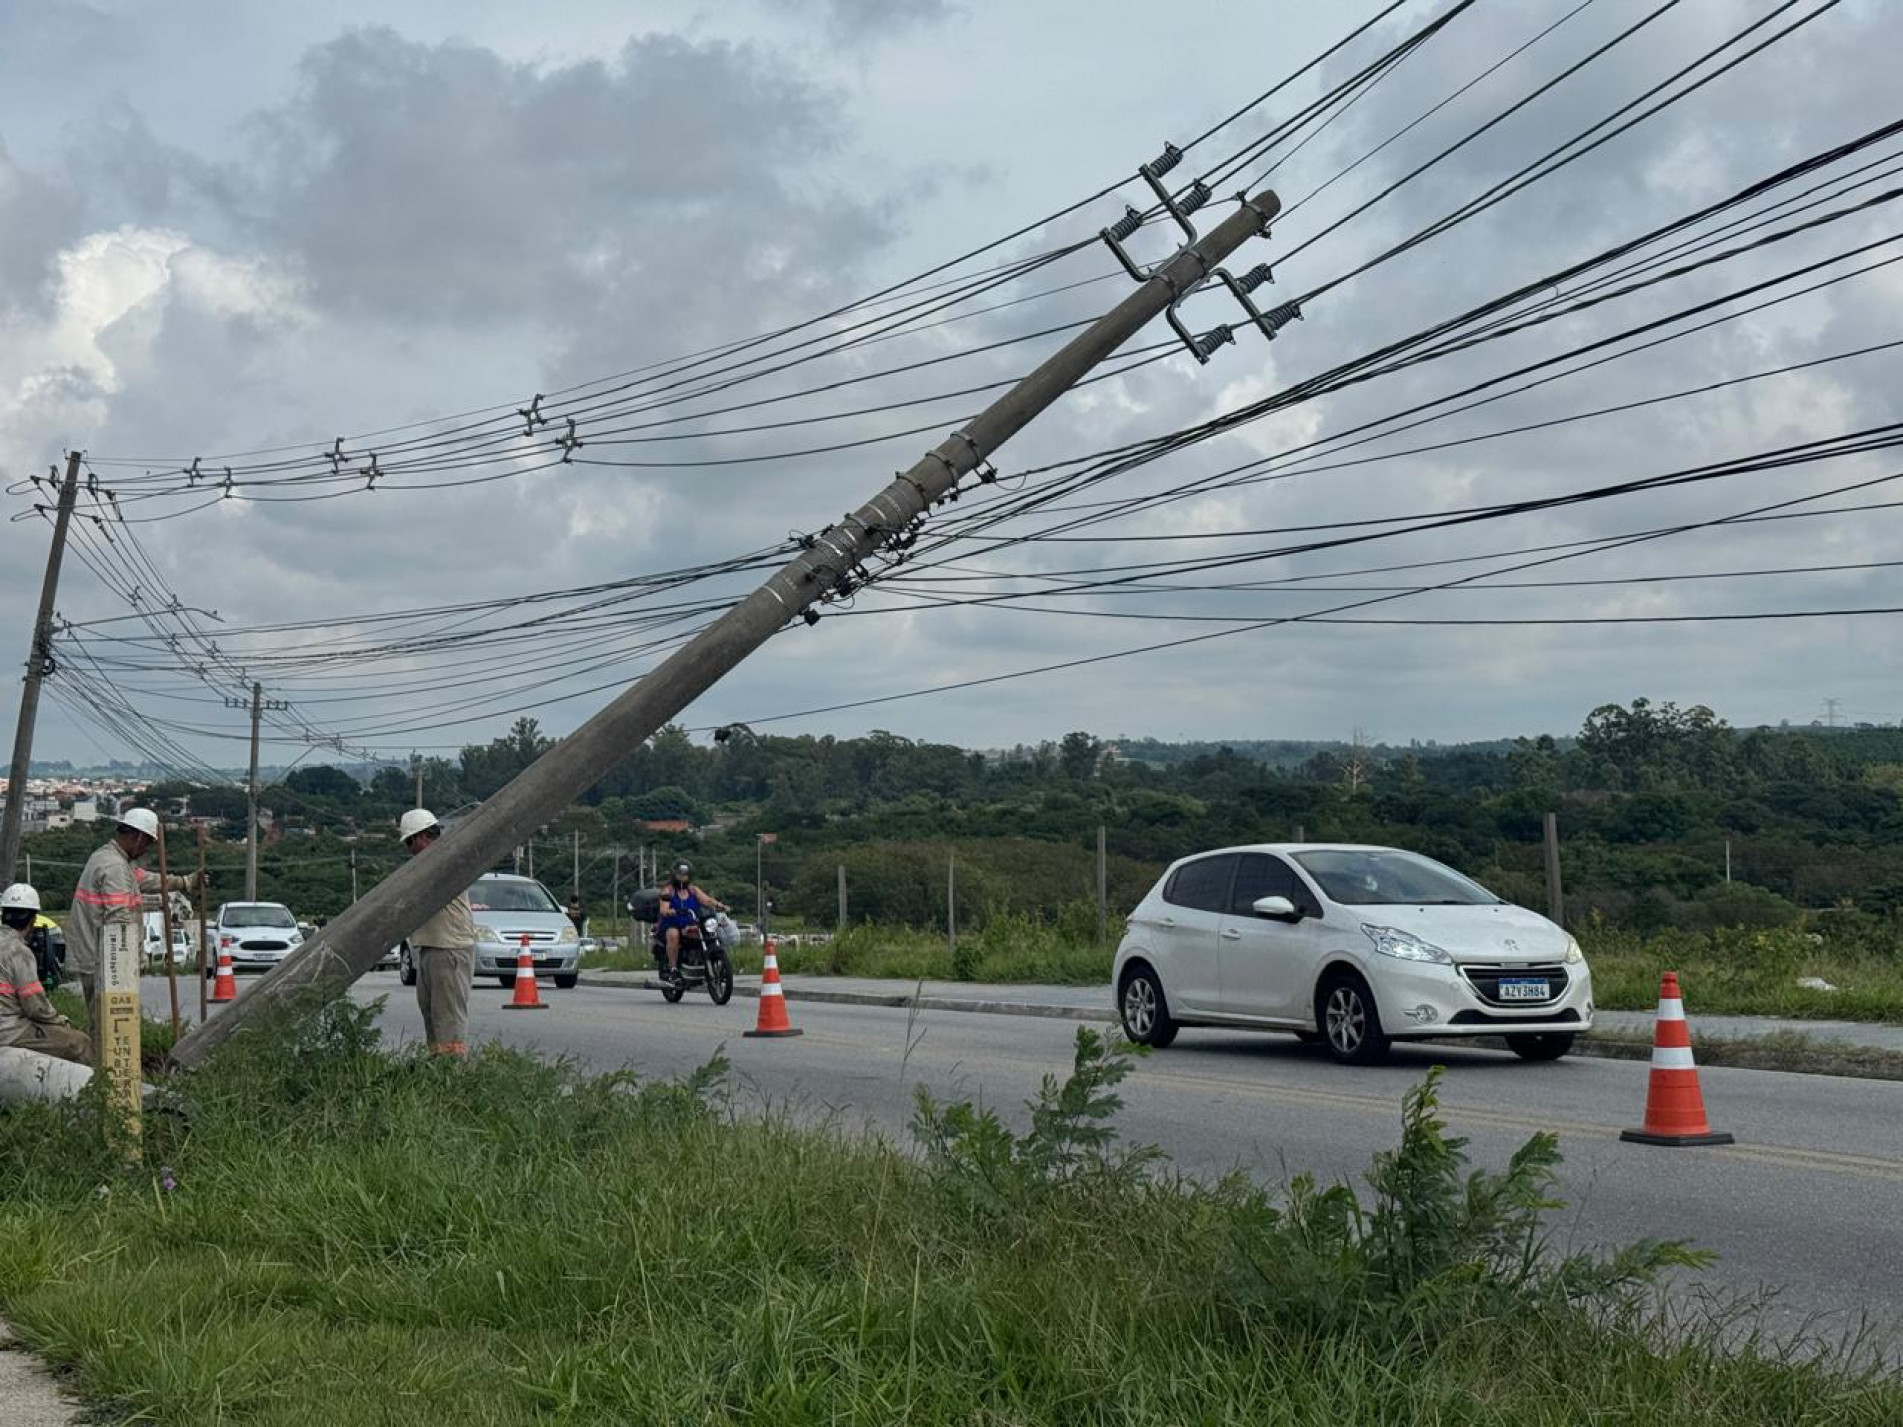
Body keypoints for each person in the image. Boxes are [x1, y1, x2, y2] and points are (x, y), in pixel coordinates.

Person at [65, 808, 199, 1033]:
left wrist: (184, 882)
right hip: (106, 961)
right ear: (137, 837)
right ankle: (106, 1067)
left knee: (104, 1022)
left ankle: (103, 1063)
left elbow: (145, 879)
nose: (146, 849)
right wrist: (136, 959)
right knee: (110, 1025)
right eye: (146, 843)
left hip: (98, 956)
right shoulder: (115, 867)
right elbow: (119, 921)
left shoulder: (111, 858)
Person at [399, 809, 475, 1058]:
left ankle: (452, 1072)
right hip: (432, 947)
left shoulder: (444, 860)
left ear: (422, 837)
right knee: (432, 1014)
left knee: (448, 1018)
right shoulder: (429, 862)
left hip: (449, 948)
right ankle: (438, 1067)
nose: (409, 849)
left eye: (410, 841)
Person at [0, 883, 92, 1064]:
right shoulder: (18, 951)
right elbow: (36, 1008)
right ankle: (99, 1087)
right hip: (8, 1029)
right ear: (33, 920)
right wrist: (59, 1021)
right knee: (79, 1043)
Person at [656, 860, 728, 985]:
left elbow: (706, 900)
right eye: (680, 874)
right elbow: (663, 907)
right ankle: (673, 968)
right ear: (674, 875)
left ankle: (705, 962)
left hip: (691, 922)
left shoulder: (693, 890)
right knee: (673, 934)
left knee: (708, 932)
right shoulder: (668, 891)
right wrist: (669, 911)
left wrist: (719, 905)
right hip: (672, 923)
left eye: (685, 875)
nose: (682, 878)